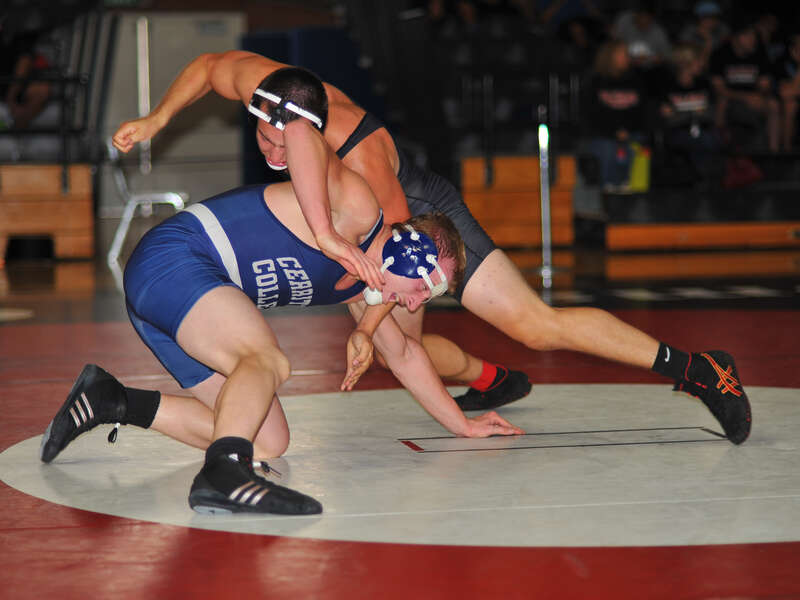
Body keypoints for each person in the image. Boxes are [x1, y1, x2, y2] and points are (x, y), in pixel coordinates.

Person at [111, 53, 753, 449]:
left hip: (412, 214)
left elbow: (390, 268)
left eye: (285, 145)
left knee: (522, 327)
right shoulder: (280, 91)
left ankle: (701, 369)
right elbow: (210, 66)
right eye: (265, 140)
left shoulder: (367, 177)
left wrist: (365, 325)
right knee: (398, 352)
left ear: (310, 132)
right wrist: (157, 119)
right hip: (344, 217)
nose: (272, 155)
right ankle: (489, 379)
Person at [40, 125, 525, 515]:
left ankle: (113, 400)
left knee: (268, 439)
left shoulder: (359, 287)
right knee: (267, 359)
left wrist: (463, 426)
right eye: (424, 288)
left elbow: (404, 354)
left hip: (171, 297)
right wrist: (327, 235)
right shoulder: (356, 210)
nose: (416, 304)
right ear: (410, 253)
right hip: (177, 258)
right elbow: (298, 130)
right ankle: (223, 474)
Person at [581, 39, 649, 190]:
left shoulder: (636, 79)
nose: (627, 57)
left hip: (631, 131)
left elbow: (642, 113)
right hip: (603, 133)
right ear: (610, 56)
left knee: (635, 146)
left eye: (627, 54)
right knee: (606, 148)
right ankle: (605, 190)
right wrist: (614, 131)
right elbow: (591, 115)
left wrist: (627, 130)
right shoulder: (595, 81)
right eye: (623, 54)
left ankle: (628, 188)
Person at [708, 15, 780, 153]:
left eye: (754, 36)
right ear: (736, 38)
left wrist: (758, 96)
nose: (753, 40)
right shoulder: (720, 54)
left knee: (773, 104)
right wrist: (747, 97)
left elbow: (765, 85)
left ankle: (774, 153)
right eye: (748, 36)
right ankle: (720, 150)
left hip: (755, 98)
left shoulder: (760, 53)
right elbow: (719, 89)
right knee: (722, 101)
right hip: (731, 99)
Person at [656, 41, 722, 184]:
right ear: (685, 63)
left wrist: (682, 114)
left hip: (704, 130)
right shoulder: (668, 85)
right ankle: (701, 179)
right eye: (698, 61)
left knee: (708, 139)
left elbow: (711, 113)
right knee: (701, 141)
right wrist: (694, 114)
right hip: (678, 132)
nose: (701, 64)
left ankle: (701, 179)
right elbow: (668, 119)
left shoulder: (704, 83)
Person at [774, 31, 800, 151]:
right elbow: (785, 93)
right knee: (790, 105)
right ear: (793, 50)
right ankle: (786, 150)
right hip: (791, 102)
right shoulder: (782, 64)